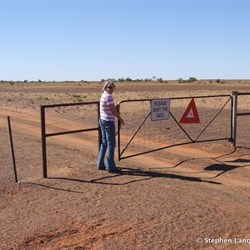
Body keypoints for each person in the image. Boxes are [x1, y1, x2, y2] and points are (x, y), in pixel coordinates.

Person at [97, 80, 125, 173]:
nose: (111, 89)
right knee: (111, 144)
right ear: (105, 87)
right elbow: (113, 110)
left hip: (102, 120)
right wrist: (120, 119)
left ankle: (100, 164)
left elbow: (110, 107)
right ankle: (110, 166)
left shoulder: (103, 95)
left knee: (104, 143)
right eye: (109, 87)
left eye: (112, 87)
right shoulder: (109, 97)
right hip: (108, 122)